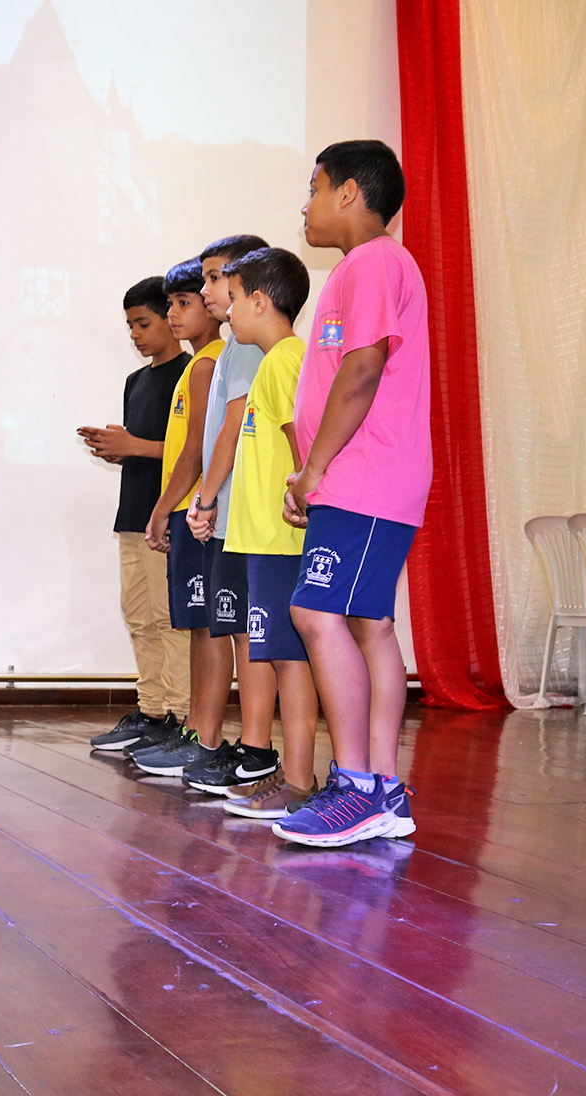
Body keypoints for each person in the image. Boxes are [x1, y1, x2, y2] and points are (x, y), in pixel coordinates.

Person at [274, 140, 430, 847]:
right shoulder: (364, 267)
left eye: (314, 188)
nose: (305, 205)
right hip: (360, 479)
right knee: (370, 624)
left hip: (367, 477)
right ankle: (383, 788)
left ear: (347, 192)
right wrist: (311, 472)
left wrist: (315, 470)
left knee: (314, 612)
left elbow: (362, 370)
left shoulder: (373, 262)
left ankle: (358, 787)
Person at [195, 247, 321, 817]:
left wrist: (303, 502)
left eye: (236, 299)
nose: (228, 311)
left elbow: (302, 446)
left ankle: (298, 779)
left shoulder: (285, 361)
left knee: (291, 660)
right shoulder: (271, 362)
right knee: (276, 656)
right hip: (259, 541)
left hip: (279, 539)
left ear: (262, 302)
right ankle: (290, 777)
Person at [179, 235, 280, 796]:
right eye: (207, 279)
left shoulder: (244, 348)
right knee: (237, 627)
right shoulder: (232, 349)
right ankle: (248, 744)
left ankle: (257, 747)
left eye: (216, 279)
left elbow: (230, 432)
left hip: (243, 515)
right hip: (231, 517)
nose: (207, 290)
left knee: (249, 633)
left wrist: (206, 496)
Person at [79, 277, 191, 753]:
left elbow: (195, 452)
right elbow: (147, 449)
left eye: (143, 323)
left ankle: (181, 718)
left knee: (170, 620)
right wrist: (119, 449)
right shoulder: (136, 381)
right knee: (139, 617)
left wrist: (135, 445)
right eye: (130, 326)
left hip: (169, 517)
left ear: (170, 316)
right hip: (134, 515)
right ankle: (151, 712)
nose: (135, 335)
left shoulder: (192, 373)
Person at [128, 258, 230, 777]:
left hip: (197, 515)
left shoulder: (209, 364)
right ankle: (195, 731)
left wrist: (163, 508)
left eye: (183, 303)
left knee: (205, 627)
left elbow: (193, 452)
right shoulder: (198, 364)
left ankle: (200, 733)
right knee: (196, 626)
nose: (173, 314)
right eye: (170, 304)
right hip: (193, 514)